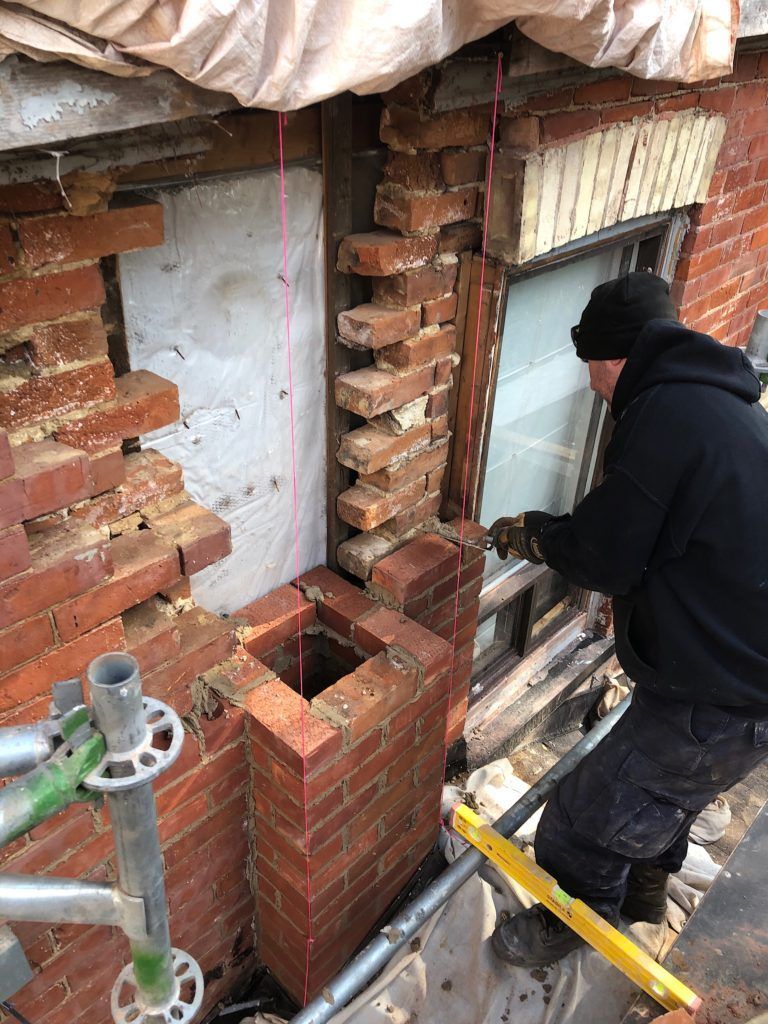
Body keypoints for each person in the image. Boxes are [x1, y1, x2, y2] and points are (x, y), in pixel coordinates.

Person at [488, 272, 768, 968]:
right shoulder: (718, 407)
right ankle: (646, 894)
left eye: (590, 366)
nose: (588, 385)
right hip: (742, 677)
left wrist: (535, 536)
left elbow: (605, 557)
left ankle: (575, 927)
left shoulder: (664, 417)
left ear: (617, 357)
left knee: (581, 823)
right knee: (663, 798)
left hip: (721, 697)